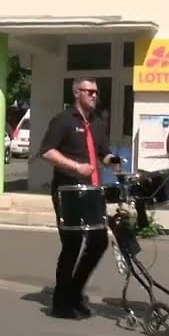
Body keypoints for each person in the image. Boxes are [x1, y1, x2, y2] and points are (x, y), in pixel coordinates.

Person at [39, 78, 118, 319]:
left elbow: (102, 153)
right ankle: (60, 304)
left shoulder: (97, 122)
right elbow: (47, 151)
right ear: (77, 93)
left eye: (97, 92)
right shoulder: (63, 120)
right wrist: (76, 167)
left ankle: (74, 293)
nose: (95, 95)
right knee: (72, 245)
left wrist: (112, 161)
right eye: (90, 91)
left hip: (93, 191)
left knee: (98, 242)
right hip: (69, 191)